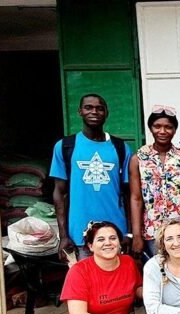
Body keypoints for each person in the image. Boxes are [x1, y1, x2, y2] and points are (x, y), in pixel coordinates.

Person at [50, 94, 132, 260]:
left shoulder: (121, 148)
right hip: (79, 235)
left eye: (99, 108)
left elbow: (129, 194)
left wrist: (129, 233)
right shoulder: (65, 146)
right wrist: (63, 235)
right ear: (80, 111)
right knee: (87, 284)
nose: (94, 112)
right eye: (88, 107)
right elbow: (60, 193)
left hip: (116, 234)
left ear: (106, 113)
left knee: (117, 283)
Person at [129, 105, 180, 258]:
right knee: (158, 273)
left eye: (168, 127)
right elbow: (136, 199)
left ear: (175, 130)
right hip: (152, 231)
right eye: (157, 126)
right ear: (150, 128)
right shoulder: (138, 159)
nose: (162, 131)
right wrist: (136, 234)